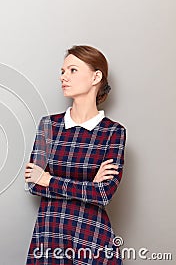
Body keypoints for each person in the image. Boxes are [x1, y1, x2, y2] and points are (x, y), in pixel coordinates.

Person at [24, 45, 126, 264]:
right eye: (62, 72)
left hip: (92, 236)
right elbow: (33, 184)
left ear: (96, 76)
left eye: (72, 70)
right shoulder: (48, 125)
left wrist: (49, 179)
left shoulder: (113, 132)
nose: (64, 77)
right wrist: (89, 186)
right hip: (49, 234)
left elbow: (104, 194)